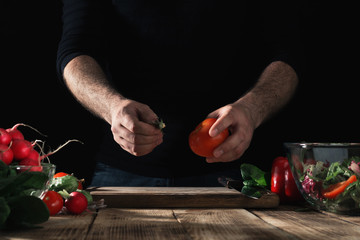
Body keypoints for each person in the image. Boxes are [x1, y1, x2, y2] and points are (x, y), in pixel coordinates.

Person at [56, 0, 304, 187]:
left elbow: (289, 53)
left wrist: (252, 110)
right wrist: (112, 106)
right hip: (123, 174)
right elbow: (76, 50)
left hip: (234, 175)